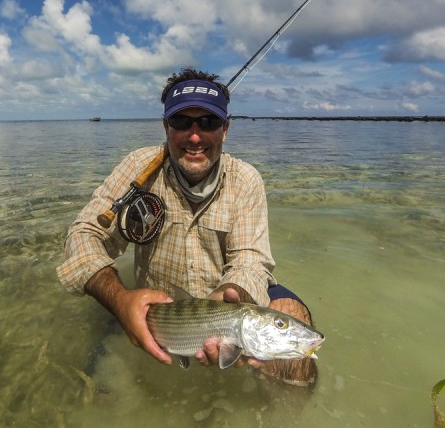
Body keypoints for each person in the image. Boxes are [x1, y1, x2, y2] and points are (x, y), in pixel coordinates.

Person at [57, 68, 316, 386]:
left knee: (295, 330)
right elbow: (83, 233)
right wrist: (120, 300)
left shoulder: (245, 179)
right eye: (182, 122)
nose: (195, 136)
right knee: (95, 384)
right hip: (166, 308)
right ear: (166, 127)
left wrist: (229, 294)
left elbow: (251, 260)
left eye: (208, 122)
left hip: (228, 307)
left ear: (226, 129)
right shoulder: (139, 167)